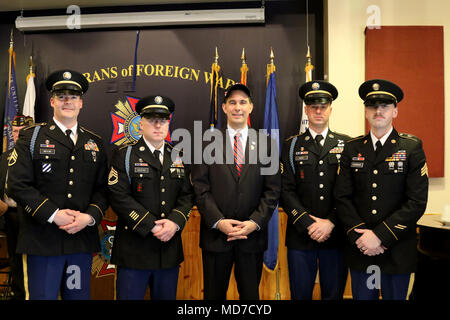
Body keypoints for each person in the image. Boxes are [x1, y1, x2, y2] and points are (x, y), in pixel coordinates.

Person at [6, 70, 108, 300]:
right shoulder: (31, 137)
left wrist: (89, 217)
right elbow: (17, 185)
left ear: (81, 103)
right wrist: (53, 214)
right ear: (52, 101)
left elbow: (103, 190)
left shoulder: (95, 142)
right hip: (42, 243)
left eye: (73, 96)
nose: (67, 101)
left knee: (78, 297)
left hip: (79, 244)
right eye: (61, 96)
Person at [334, 79, 429, 300]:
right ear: (366, 111)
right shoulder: (351, 148)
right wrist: (363, 237)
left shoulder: (411, 148)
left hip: (396, 250)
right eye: (373, 106)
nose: (378, 111)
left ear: (395, 111)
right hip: (362, 250)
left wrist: (380, 236)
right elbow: (342, 197)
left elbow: (416, 202)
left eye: (385, 105)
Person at [191, 83, 281, 300]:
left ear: (251, 107)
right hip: (216, 237)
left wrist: (254, 222)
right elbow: (200, 188)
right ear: (224, 108)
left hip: (252, 238)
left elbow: (272, 190)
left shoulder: (267, 144)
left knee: (250, 298)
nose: (237, 107)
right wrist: (219, 221)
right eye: (232, 102)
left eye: (243, 102)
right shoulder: (205, 142)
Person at [108, 95, 194, 300]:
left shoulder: (178, 155)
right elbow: (118, 195)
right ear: (141, 123)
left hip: (168, 251)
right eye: (151, 119)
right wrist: (151, 225)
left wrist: (175, 222)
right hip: (134, 251)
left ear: (168, 123)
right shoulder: (125, 154)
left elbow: (187, 196)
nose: (157, 124)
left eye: (163, 119)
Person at [281, 80, 351, 300]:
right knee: (300, 294)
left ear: (330, 109)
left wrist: (331, 222)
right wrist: (308, 224)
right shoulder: (291, 145)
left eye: (323, 105)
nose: (318, 110)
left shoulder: (347, 144)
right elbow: (285, 190)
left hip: (336, 234)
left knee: (334, 294)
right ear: (306, 109)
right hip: (301, 236)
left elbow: (350, 191)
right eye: (313, 106)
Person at [0, 115, 34, 299]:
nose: (17, 135)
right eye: (14, 131)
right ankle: (18, 293)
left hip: (31, 215)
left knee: (31, 258)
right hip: (9, 215)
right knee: (15, 258)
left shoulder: (37, 156)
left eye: (22, 131)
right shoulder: (5, 157)